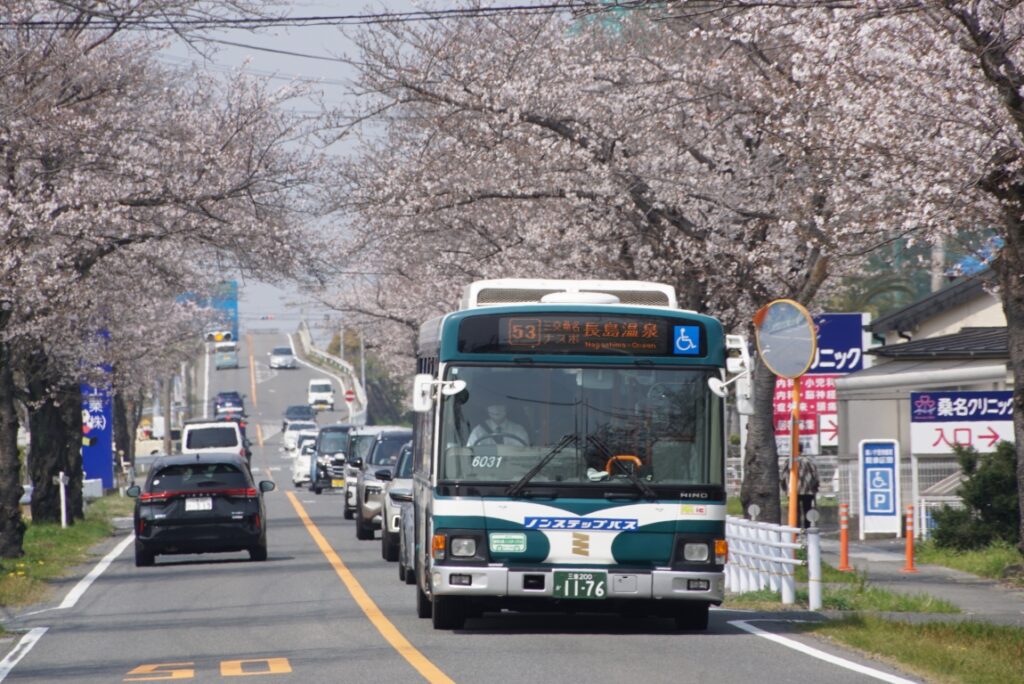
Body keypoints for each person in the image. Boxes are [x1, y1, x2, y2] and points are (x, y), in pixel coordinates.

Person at [780, 455, 820, 528]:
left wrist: (784, 488)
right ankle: (807, 529)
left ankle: (796, 530)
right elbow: (815, 475)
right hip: (807, 490)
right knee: (807, 510)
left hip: (793, 491)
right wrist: (815, 487)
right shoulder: (809, 461)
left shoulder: (789, 461)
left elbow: (783, 476)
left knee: (794, 511)